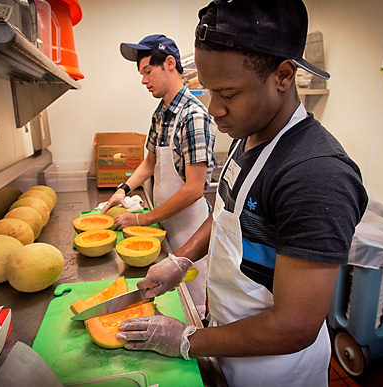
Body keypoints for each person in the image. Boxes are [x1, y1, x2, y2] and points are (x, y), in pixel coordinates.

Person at [115, 1, 369, 386]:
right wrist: (181, 260)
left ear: (283, 75)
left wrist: (186, 339)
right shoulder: (249, 133)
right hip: (227, 345)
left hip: (274, 371)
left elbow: (294, 326)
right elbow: (226, 216)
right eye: (208, 89)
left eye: (228, 94)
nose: (214, 109)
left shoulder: (316, 175)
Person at [102, 34, 216, 318]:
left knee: (191, 308)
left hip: (191, 230)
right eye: (141, 73)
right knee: (169, 303)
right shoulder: (161, 113)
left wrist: (142, 219)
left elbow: (194, 189)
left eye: (147, 71)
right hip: (165, 225)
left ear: (169, 63)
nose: (143, 80)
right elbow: (150, 162)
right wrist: (123, 189)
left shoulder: (193, 116)